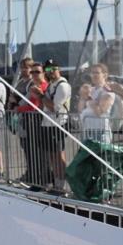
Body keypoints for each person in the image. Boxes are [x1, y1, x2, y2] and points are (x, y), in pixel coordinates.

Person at [39, 60, 71, 193]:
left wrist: (40, 96)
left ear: (59, 69)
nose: (51, 71)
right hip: (47, 124)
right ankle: (57, 182)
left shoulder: (62, 85)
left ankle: (61, 185)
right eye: (47, 70)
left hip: (58, 124)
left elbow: (53, 107)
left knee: (59, 155)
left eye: (54, 68)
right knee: (52, 155)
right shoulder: (52, 85)